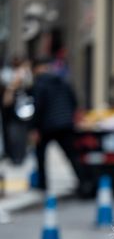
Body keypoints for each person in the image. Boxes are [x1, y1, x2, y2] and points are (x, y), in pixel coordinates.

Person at [30, 56, 84, 193]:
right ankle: (85, 183)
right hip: (65, 123)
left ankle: (42, 184)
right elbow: (74, 101)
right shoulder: (62, 80)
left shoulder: (39, 84)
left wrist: (34, 128)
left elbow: (38, 107)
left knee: (40, 155)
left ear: (36, 69)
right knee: (72, 155)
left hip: (46, 126)